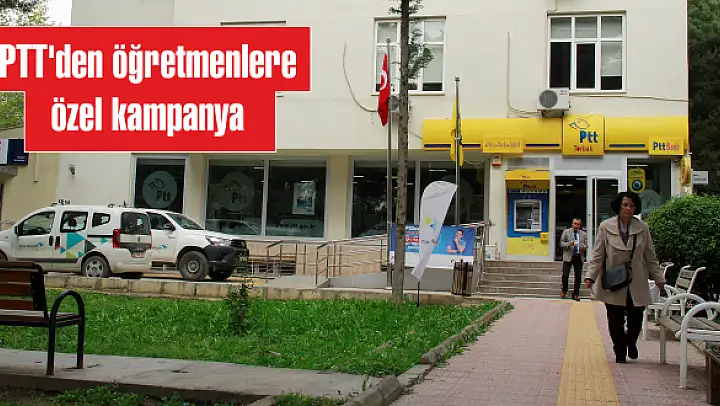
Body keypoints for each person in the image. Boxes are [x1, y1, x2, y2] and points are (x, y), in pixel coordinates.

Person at [584, 191, 665, 364]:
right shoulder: (605, 226)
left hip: (636, 281)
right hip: (615, 281)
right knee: (615, 320)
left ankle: (631, 341)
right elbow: (598, 255)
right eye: (625, 205)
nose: (628, 208)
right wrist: (590, 276)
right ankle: (619, 351)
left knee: (636, 319)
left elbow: (650, 255)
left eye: (631, 205)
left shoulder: (642, 228)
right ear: (618, 206)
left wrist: (658, 277)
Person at [559, 218, 587, 301]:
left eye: (578, 224)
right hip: (568, 256)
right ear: (572, 224)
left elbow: (586, 244)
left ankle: (576, 294)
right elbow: (561, 243)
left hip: (578, 257)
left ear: (580, 225)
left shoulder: (583, 234)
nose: (576, 225)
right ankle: (564, 290)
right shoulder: (566, 232)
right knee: (565, 275)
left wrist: (583, 247)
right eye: (575, 223)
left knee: (578, 277)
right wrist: (568, 244)